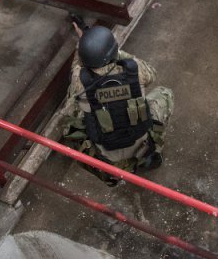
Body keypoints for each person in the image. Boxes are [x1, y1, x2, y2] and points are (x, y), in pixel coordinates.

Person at [61, 25, 173, 185]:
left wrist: (81, 46)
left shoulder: (79, 79)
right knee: (165, 93)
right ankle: (149, 157)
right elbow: (152, 73)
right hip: (140, 142)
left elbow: (74, 70)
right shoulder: (135, 69)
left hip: (106, 156)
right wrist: (118, 53)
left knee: (75, 112)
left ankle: (113, 174)